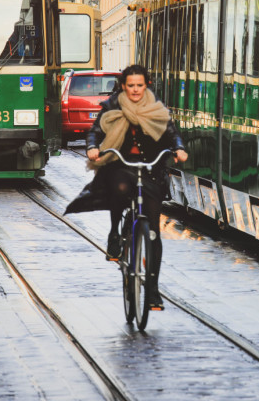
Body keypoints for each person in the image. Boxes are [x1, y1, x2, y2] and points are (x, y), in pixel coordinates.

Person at [66, 65, 187, 311]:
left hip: (150, 169)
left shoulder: (157, 108)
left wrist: (179, 148)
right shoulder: (113, 105)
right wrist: (92, 147)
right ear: (123, 85)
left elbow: (172, 133)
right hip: (121, 165)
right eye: (130, 85)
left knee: (153, 232)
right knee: (120, 187)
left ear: (147, 85)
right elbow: (96, 131)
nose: (135, 90)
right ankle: (114, 232)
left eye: (139, 85)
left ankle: (152, 292)